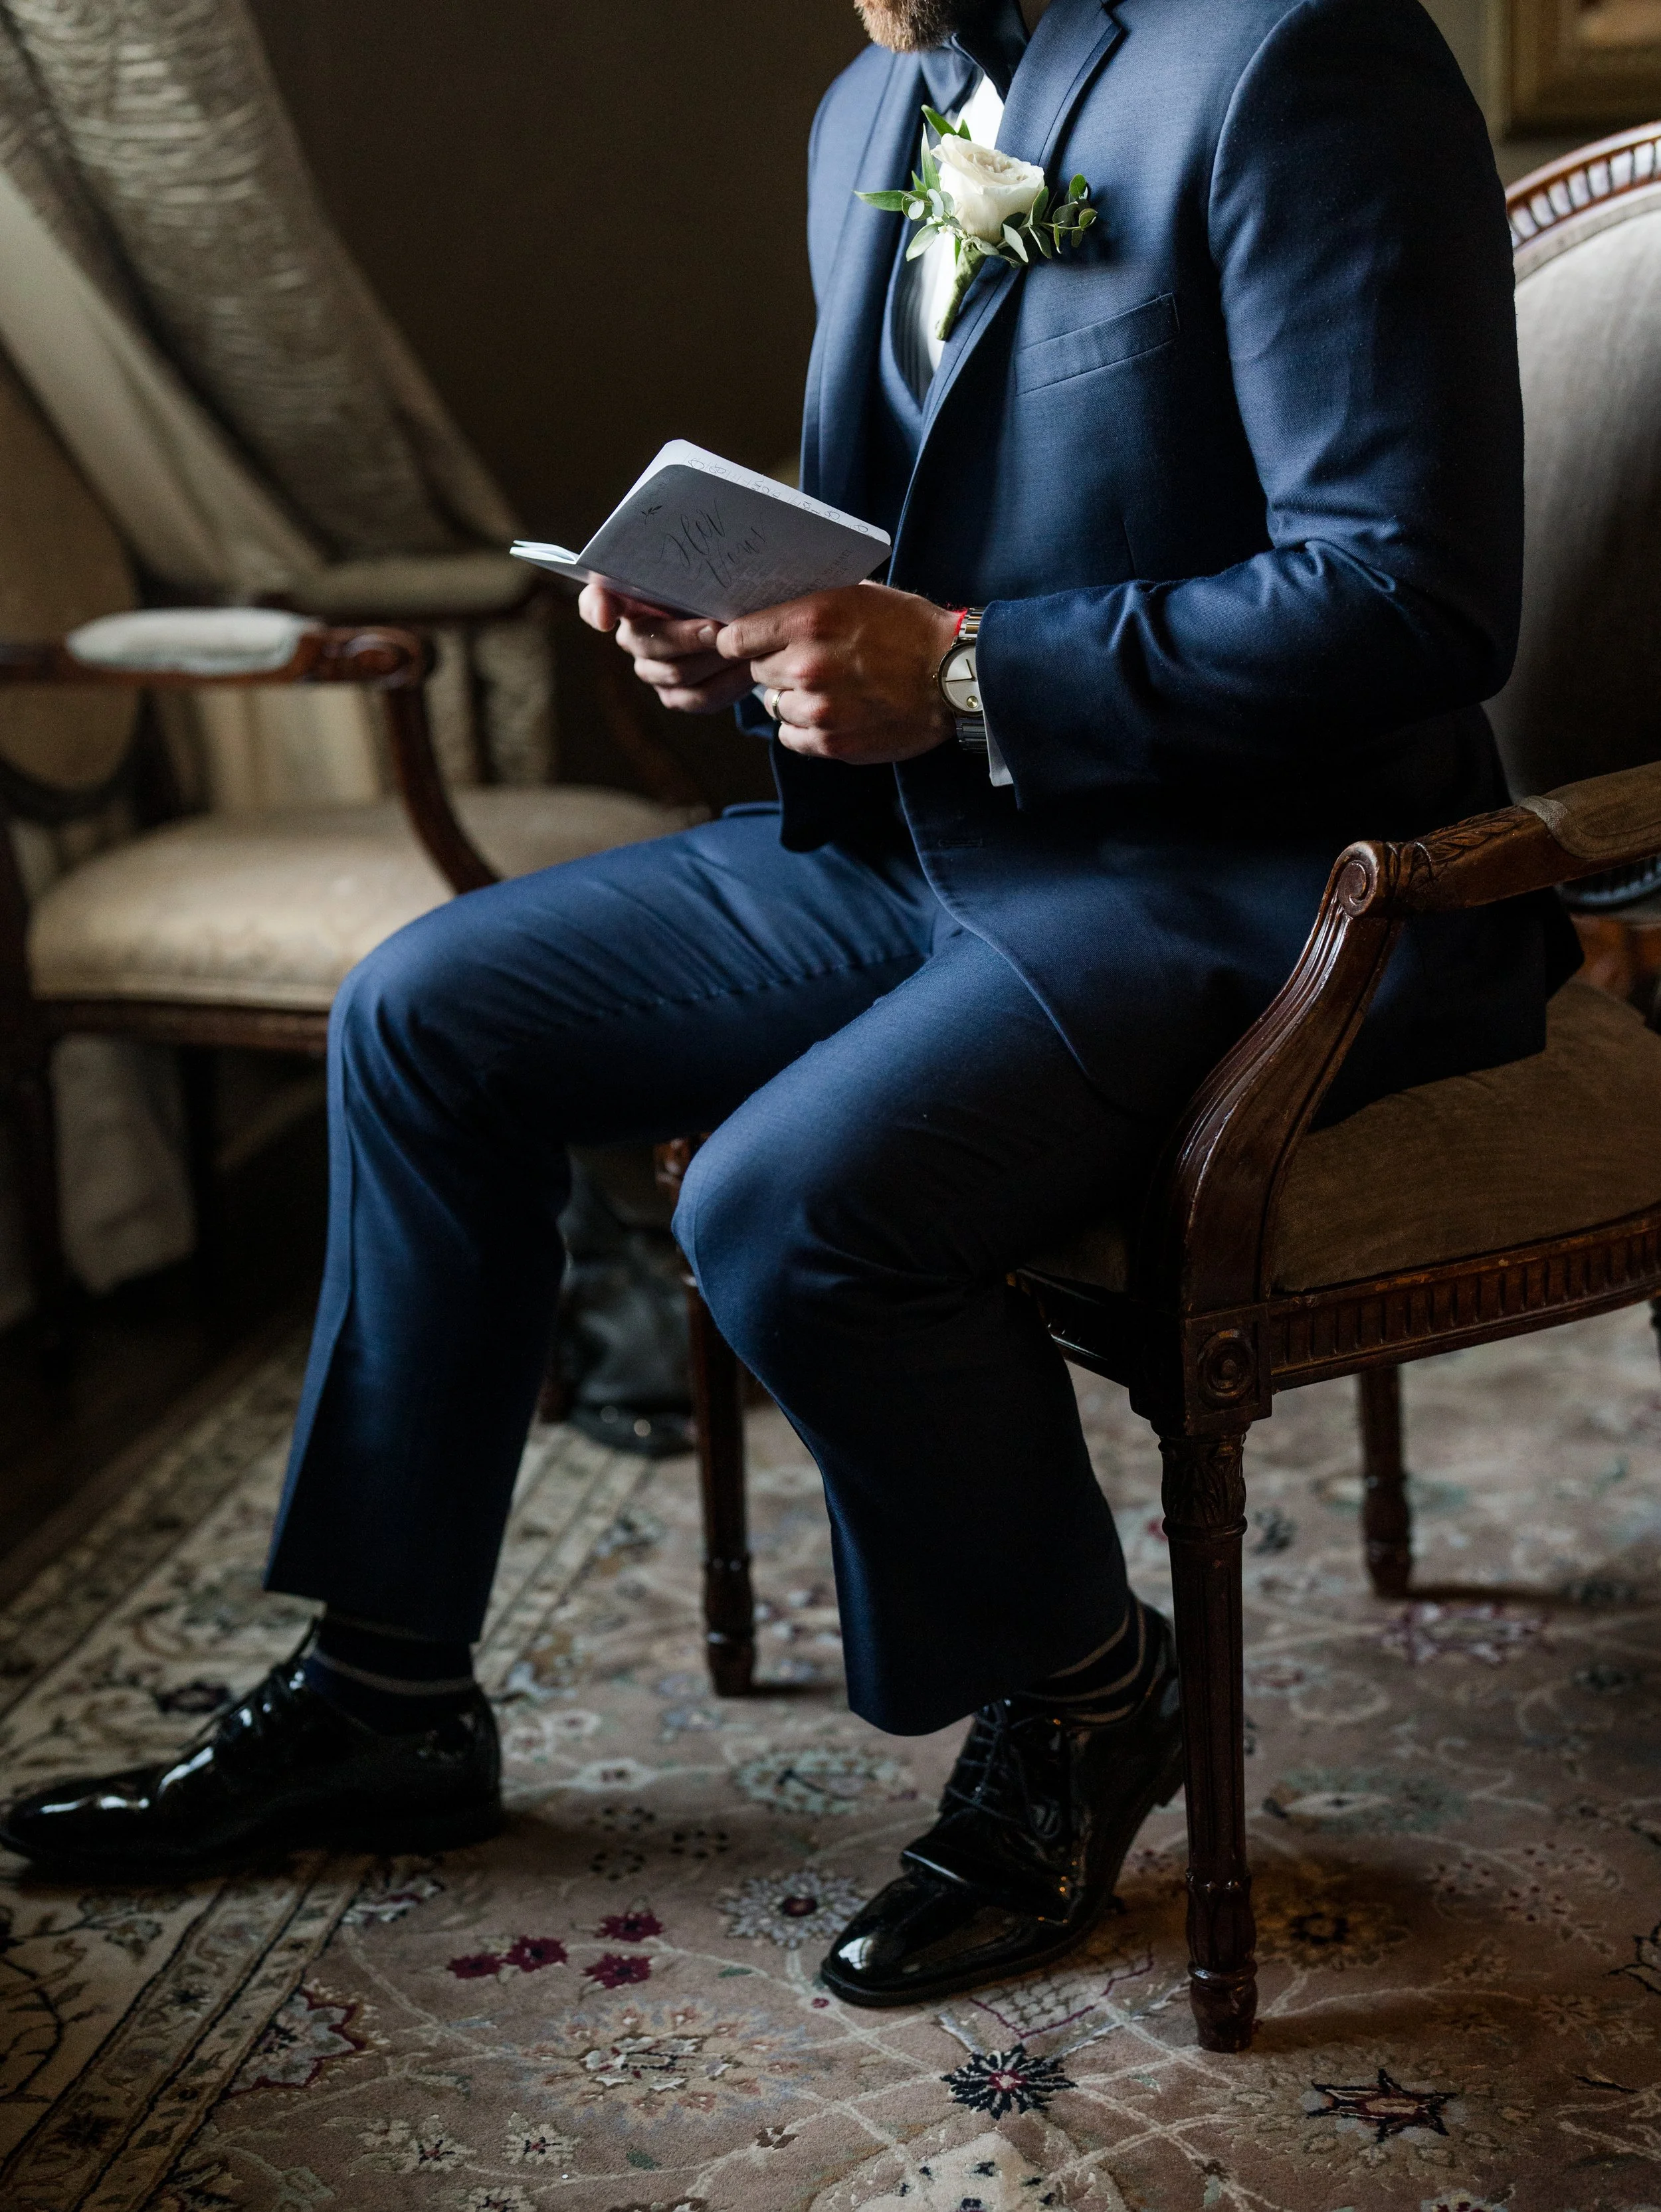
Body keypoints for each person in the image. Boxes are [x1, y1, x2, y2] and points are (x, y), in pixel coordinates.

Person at [1, 0, 1577, 2008]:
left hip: (1264, 879)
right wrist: (733, 641)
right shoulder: (866, 113)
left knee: (779, 1202)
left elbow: (1408, 593)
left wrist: (973, 671)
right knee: (422, 1013)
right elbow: (898, 558)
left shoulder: (1297, 56)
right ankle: (389, 1692)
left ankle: (1091, 1694)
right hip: (917, 837)